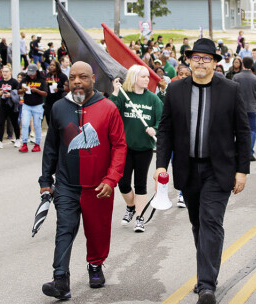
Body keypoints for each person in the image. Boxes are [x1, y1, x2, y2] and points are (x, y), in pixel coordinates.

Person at [154, 38, 250, 304]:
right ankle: (208, 271)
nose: (200, 62)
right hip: (187, 169)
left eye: (206, 58)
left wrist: (242, 170)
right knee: (198, 223)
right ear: (189, 61)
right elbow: (165, 129)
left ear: (215, 63)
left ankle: (206, 285)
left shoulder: (231, 90)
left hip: (218, 170)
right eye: (195, 57)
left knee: (211, 221)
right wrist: (161, 164)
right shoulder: (176, 90)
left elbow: (242, 132)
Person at [39, 61, 127, 300]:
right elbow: (51, 148)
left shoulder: (108, 108)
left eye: (83, 77)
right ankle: (60, 280)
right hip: (67, 184)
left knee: (97, 231)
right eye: (73, 77)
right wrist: (45, 180)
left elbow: (119, 146)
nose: (77, 81)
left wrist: (111, 179)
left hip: (98, 186)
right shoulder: (58, 108)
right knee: (64, 229)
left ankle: (96, 265)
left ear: (93, 79)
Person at [111, 65, 163, 233]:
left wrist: (154, 129)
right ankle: (131, 206)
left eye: (148, 77)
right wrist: (115, 93)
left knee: (140, 184)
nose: (147, 79)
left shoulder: (153, 99)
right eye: (143, 77)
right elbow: (111, 112)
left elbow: (162, 121)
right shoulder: (125, 96)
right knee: (123, 183)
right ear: (134, 78)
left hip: (144, 148)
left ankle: (140, 217)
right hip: (124, 148)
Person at [233, 56, 256, 161]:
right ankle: (249, 151)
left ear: (242, 64)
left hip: (239, 108)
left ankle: (240, 151)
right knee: (252, 130)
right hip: (252, 107)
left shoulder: (236, 77)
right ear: (252, 65)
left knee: (239, 130)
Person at [18, 63, 47, 152]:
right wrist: (23, 90)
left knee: (37, 125)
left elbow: (45, 93)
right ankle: (24, 143)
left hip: (38, 105)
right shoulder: (24, 80)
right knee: (25, 124)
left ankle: (37, 144)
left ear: (36, 72)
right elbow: (18, 91)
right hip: (27, 105)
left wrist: (36, 90)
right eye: (29, 73)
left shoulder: (41, 80)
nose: (31, 75)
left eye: (33, 73)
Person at [0, 66, 21, 149]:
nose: (4, 73)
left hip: (12, 105)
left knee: (14, 122)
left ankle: (17, 139)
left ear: (10, 72)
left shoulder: (14, 82)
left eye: (6, 71)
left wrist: (10, 94)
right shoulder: (0, 82)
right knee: (1, 122)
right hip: (3, 104)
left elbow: (18, 93)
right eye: (3, 72)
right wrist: (1, 92)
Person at [44, 60, 68, 126]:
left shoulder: (62, 76)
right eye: (50, 65)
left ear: (57, 66)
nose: (51, 67)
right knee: (48, 118)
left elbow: (67, 88)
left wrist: (59, 89)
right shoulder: (46, 76)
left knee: (57, 119)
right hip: (48, 100)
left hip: (58, 100)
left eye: (53, 65)